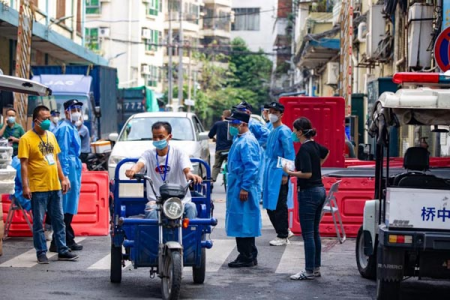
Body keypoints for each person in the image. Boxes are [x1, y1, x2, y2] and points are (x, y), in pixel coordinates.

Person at [18, 105, 78, 263]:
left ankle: (62, 249)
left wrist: (63, 178)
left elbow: (56, 159)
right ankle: (41, 252)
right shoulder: (26, 139)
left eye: (49, 118)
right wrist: (26, 186)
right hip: (38, 187)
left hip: (54, 186)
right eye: (44, 119)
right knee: (39, 222)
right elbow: (24, 164)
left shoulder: (51, 136)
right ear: (36, 120)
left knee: (59, 220)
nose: (48, 121)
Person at [125, 121, 202, 219]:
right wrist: (133, 171)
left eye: (161, 137)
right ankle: (153, 234)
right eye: (154, 137)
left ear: (169, 137)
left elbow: (186, 169)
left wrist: (189, 174)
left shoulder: (179, 152)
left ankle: (190, 234)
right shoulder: (148, 154)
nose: (157, 140)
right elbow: (139, 164)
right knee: (151, 210)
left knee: (191, 207)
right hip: (156, 201)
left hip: (180, 200)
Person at [284, 117, 329, 280]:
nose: (293, 133)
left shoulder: (304, 149)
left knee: (308, 234)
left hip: (309, 192)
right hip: (320, 190)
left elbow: (307, 173)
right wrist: (318, 165)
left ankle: (309, 270)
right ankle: (315, 268)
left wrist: (290, 173)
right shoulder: (315, 145)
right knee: (314, 232)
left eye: (294, 130)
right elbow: (326, 152)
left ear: (300, 132)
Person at [225, 111, 262, 268]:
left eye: (234, 124)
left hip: (242, 185)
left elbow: (251, 167)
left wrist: (245, 187)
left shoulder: (247, 142)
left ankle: (246, 255)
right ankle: (248, 254)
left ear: (244, 124)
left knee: (244, 221)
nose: (232, 127)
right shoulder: (240, 139)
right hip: (238, 183)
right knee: (242, 221)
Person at [51, 99, 84, 252]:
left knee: (70, 203)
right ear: (67, 112)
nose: (77, 112)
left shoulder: (71, 127)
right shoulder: (65, 128)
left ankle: (67, 238)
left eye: (79, 109)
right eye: (74, 109)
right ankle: (60, 240)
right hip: (68, 167)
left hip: (74, 165)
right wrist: (64, 176)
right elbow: (62, 153)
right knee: (66, 205)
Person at [262, 102, 296, 246]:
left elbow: (289, 153)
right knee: (270, 202)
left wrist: (285, 174)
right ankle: (284, 230)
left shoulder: (284, 131)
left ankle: (282, 234)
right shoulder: (272, 130)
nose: (272, 114)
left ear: (281, 114)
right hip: (270, 169)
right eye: (270, 111)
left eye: (275, 112)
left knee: (278, 203)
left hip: (279, 170)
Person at [208, 110, 232, 183]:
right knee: (231, 166)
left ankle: (212, 181)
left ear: (223, 116)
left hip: (220, 149)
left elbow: (210, 135)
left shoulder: (218, 124)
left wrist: (215, 139)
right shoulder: (232, 125)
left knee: (216, 166)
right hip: (230, 150)